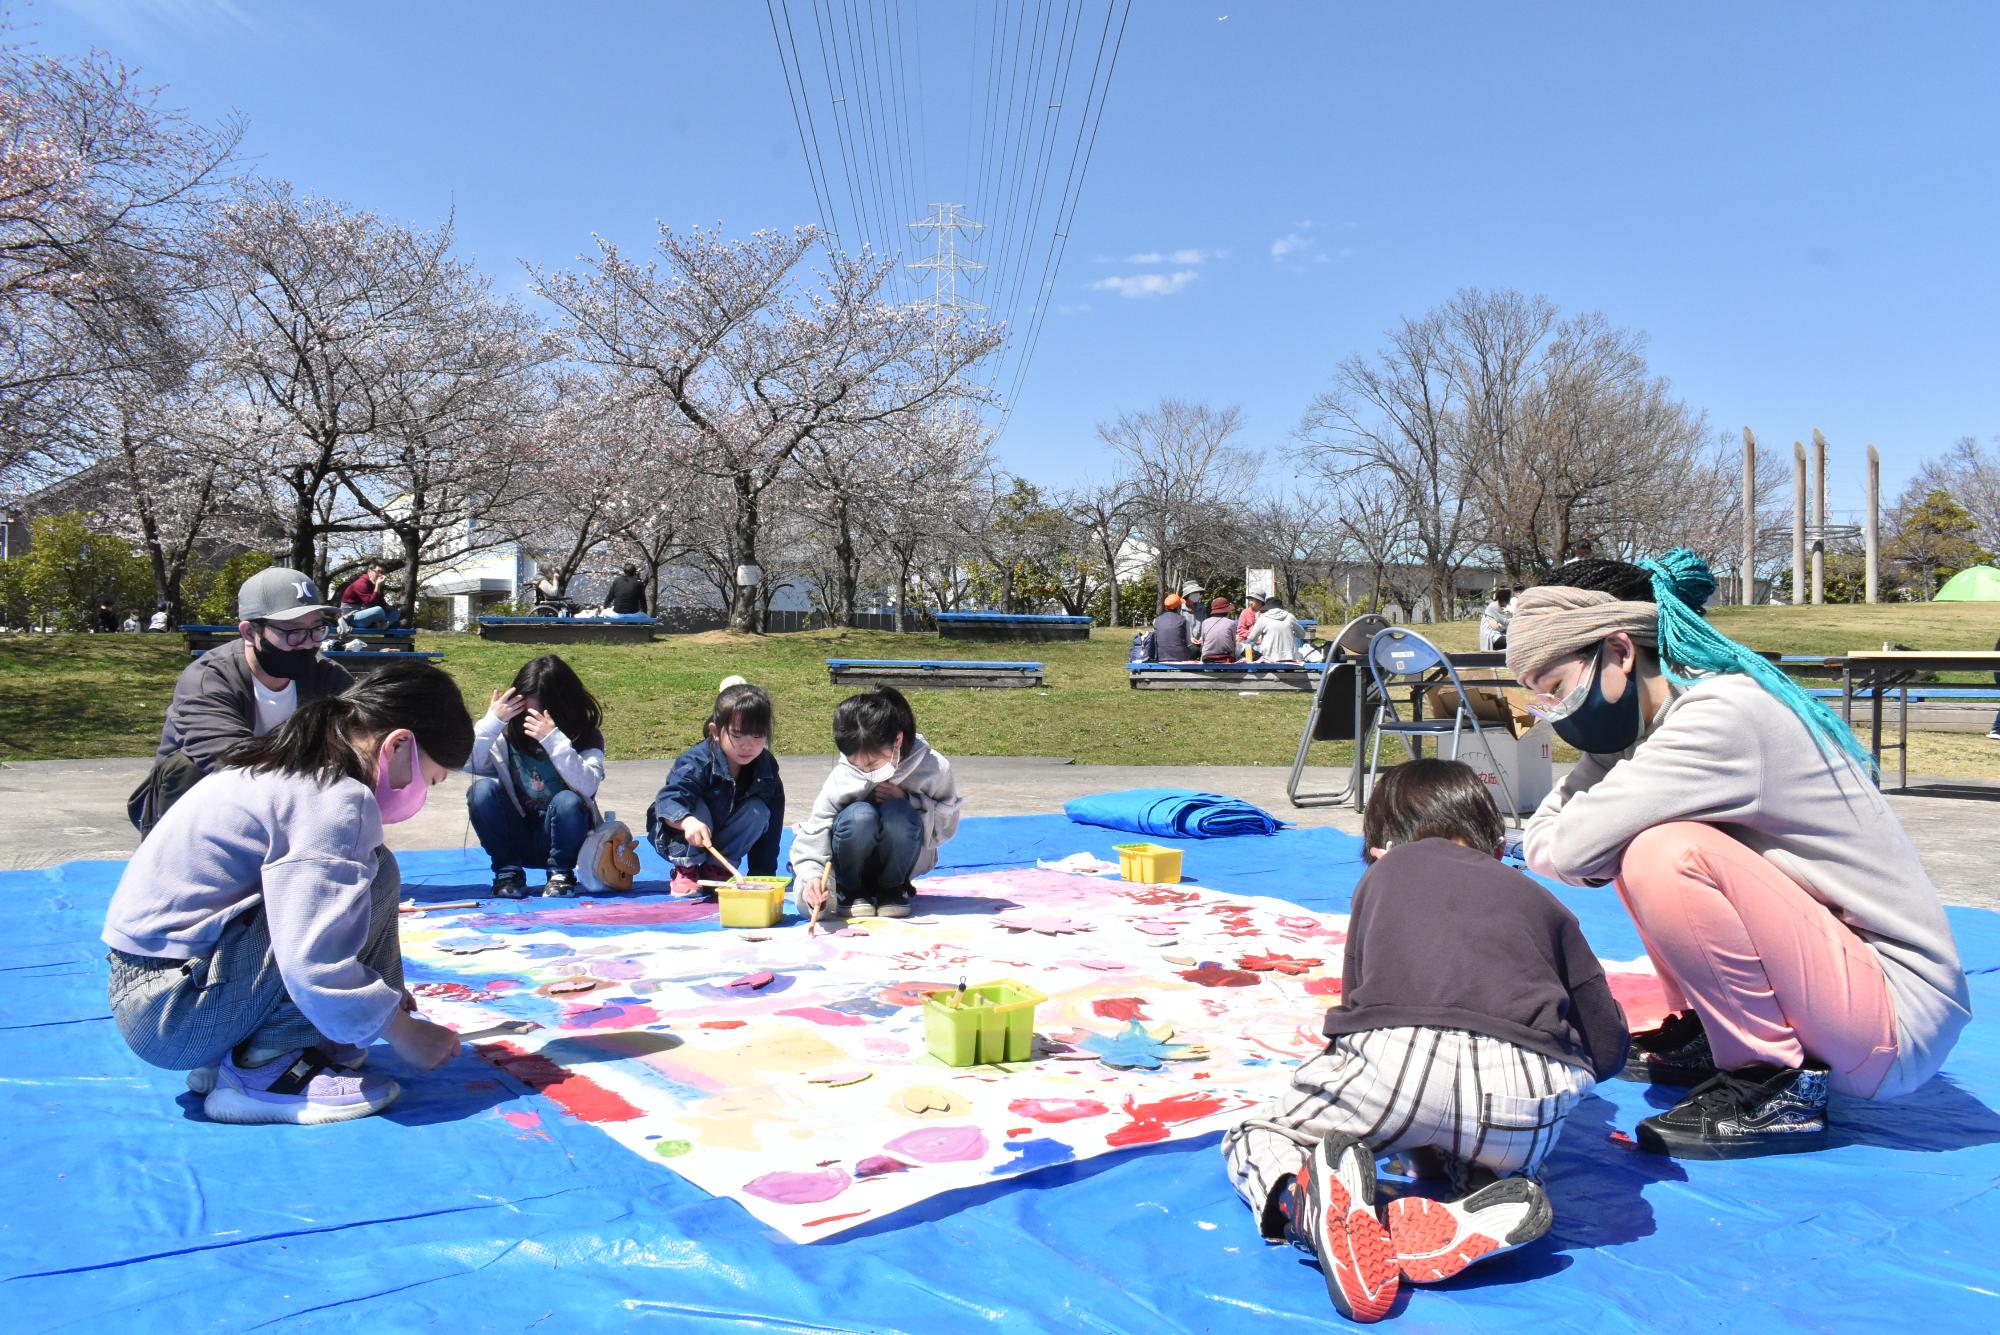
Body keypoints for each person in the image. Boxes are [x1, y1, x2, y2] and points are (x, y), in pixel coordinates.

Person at [1507, 550, 1970, 1159]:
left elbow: (1561, 847)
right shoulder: (1655, 726)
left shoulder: (1722, 718)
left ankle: (1768, 1082)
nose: (1552, 716)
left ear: (1619, 652)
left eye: (1557, 691)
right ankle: (1717, 1030)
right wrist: (1589, 802)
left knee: (1661, 852)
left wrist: (1583, 831)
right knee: (1633, 834)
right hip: (1846, 996)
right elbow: (1556, 835)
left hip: (1894, 1019)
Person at [1222, 760, 1627, 1321]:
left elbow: (1364, 1010)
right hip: (1526, 1095)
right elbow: (1605, 1040)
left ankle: (1305, 1203)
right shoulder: (1543, 903)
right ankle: (1489, 1188)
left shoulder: (1385, 876)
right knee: (1490, 1140)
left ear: (1381, 843)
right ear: (1493, 840)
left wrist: (1403, 1121)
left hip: (1396, 1065)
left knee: (1256, 1134)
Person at [102, 661, 475, 1126]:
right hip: (176, 1015)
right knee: (366, 880)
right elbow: (312, 959)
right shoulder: (335, 798)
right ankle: (267, 1069)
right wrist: (402, 1032)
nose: (420, 795)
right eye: (429, 779)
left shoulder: (285, 768)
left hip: (160, 993)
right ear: (398, 744)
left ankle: (259, 1046)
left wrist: (381, 1006)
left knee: (372, 869)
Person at [128, 568, 354, 835]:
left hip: (286, 807)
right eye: (292, 631)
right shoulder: (208, 679)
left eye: (316, 629)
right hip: (201, 809)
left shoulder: (329, 678)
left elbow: (364, 744)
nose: (307, 644)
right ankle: (171, 865)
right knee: (187, 767)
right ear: (249, 632)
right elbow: (231, 760)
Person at [793, 686, 962, 919]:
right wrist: (811, 878)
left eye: (872, 765)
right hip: (851, 863)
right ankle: (851, 890)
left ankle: (892, 888)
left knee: (898, 813)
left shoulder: (933, 768)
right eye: (858, 766)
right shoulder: (844, 775)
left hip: (904, 860)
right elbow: (816, 829)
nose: (865, 772)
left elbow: (947, 823)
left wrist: (910, 802)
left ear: (898, 740)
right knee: (860, 816)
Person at [465, 655, 607, 898]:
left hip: (565, 837)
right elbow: (467, 761)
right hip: (519, 835)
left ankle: (561, 873)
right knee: (481, 791)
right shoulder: (508, 733)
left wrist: (552, 739)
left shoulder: (585, 735)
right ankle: (508, 871)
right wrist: (492, 723)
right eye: (526, 714)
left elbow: (588, 786)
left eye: (542, 714)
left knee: (568, 800)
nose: (533, 722)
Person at [649, 681, 785, 895]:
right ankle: (687, 868)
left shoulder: (766, 768)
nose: (748, 745)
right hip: (681, 837)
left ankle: (717, 869)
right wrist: (687, 821)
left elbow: (773, 823)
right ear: (715, 731)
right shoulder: (697, 761)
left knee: (758, 811)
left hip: (722, 840)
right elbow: (667, 801)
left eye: (757, 735)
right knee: (696, 807)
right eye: (738, 735)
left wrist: (763, 872)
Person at [339, 561, 400, 630]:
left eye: (383, 573)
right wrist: (377, 586)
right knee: (378, 610)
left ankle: (382, 626)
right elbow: (370, 603)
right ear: (369, 571)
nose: (380, 575)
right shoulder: (361, 583)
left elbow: (382, 603)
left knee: (396, 612)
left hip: (366, 614)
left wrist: (390, 608)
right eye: (378, 572)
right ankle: (382, 624)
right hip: (352, 618)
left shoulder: (377, 584)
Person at [1244, 595, 1307, 662]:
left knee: (1252, 646)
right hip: (1290, 657)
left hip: (1269, 657)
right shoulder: (1290, 616)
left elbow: (1252, 638)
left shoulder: (1263, 618)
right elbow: (1302, 635)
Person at [1151, 594, 1194, 662]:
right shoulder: (1184, 620)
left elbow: (1154, 639)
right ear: (1178, 607)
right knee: (1196, 650)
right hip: (1181, 657)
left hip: (1161, 656)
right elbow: (1188, 641)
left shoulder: (1156, 620)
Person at [1198, 595, 1239, 662]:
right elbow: (1234, 643)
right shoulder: (1231, 623)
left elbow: (1203, 642)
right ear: (1226, 611)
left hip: (1207, 657)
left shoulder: (1205, 622)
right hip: (1226, 657)